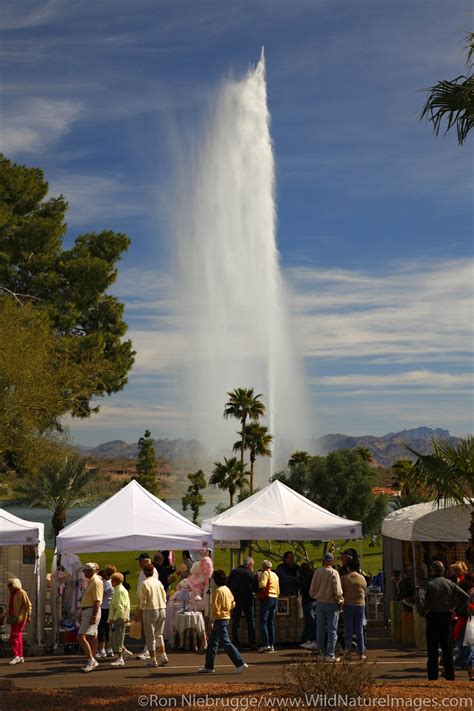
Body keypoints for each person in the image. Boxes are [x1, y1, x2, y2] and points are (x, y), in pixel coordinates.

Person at [424, 560, 469, 681]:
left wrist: (424, 611)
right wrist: (455, 609)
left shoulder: (427, 583)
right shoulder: (449, 583)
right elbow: (465, 597)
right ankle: (450, 676)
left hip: (432, 617)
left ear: (432, 570)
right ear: (443, 570)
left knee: (432, 650)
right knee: (447, 649)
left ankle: (432, 677)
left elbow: (420, 599)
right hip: (446, 617)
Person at [198, 569, 247, 674]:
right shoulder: (227, 589)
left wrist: (211, 621)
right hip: (225, 617)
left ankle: (240, 663)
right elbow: (233, 603)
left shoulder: (218, 591)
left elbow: (215, 609)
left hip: (219, 619)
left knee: (225, 642)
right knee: (212, 642)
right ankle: (209, 666)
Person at [309, 552, 344, 662]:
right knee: (332, 630)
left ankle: (320, 653)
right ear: (332, 561)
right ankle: (330, 654)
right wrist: (340, 599)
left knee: (320, 629)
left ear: (323, 561)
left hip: (320, 603)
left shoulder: (317, 572)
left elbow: (312, 591)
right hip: (331, 603)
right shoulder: (334, 573)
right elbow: (338, 591)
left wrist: (317, 596)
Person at [136, 563, 168, 668]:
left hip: (151, 610)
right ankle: (163, 656)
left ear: (144, 573)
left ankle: (153, 659)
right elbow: (164, 596)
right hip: (162, 608)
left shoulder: (145, 583)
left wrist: (139, 613)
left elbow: (143, 601)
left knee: (150, 636)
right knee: (159, 634)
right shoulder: (158, 582)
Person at [78, 562, 104, 672]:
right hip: (89, 610)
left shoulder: (96, 582)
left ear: (90, 571)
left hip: (92, 610)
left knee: (81, 636)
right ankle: (92, 658)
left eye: (85, 570)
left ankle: (91, 659)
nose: (83, 572)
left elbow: (97, 601)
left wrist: (93, 616)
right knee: (93, 636)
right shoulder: (92, 581)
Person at [228, 557, 258, 650]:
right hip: (247, 600)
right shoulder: (251, 573)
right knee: (250, 621)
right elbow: (255, 589)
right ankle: (252, 643)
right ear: (250, 565)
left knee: (235, 622)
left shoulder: (234, 572)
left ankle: (236, 643)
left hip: (235, 599)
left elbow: (228, 584)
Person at [341, 558, 367, 660]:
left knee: (348, 629)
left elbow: (341, 591)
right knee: (359, 629)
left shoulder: (345, 578)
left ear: (348, 567)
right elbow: (364, 588)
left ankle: (348, 652)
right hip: (360, 605)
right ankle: (361, 652)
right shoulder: (362, 578)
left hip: (348, 605)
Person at [136, 553, 158, 660]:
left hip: (148, 605)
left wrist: (140, 607)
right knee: (147, 629)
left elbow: (147, 590)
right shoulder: (144, 571)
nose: (138, 563)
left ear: (145, 561)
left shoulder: (150, 571)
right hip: (146, 603)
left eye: (140, 561)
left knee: (148, 629)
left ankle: (148, 650)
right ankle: (148, 649)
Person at [108, 572, 133, 666]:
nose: (110, 582)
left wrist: (113, 619)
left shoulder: (119, 591)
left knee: (118, 637)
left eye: (112, 581)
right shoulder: (120, 589)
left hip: (118, 618)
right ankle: (125, 652)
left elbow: (120, 607)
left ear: (115, 581)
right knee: (117, 636)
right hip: (119, 617)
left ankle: (120, 658)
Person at [6, 578, 32, 665]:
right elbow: (9, 607)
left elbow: (28, 605)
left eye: (10, 586)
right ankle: (20, 656)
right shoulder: (11, 594)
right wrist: (4, 616)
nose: (9, 588)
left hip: (20, 617)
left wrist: (29, 615)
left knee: (14, 636)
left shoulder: (22, 593)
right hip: (13, 618)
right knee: (18, 636)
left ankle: (16, 656)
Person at [257, 560, 280, 653]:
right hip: (275, 598)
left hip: (267, 598)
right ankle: (272, 644)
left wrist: (259, 581)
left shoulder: (266, 573)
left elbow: (263, 584)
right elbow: (278, 589)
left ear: (263, 567)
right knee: (271, 622)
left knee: (263, 621)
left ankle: (265, 644)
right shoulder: (275, 575)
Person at [96, 564, 116, 659]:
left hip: (104, 608)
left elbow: (101, 595)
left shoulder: (107, 583)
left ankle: (102, 649)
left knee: (102, 628)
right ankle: (109, 649)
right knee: (109, 628)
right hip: (111, 608)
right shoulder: (114, 583)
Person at [299, 562, 317, 649]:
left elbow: (304, 589)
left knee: (310, 621)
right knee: (310, 621)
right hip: (314, 600)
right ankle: (308, 639)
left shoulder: (304, 578)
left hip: (308, 601)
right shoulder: (313, 576)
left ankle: (312, 639)